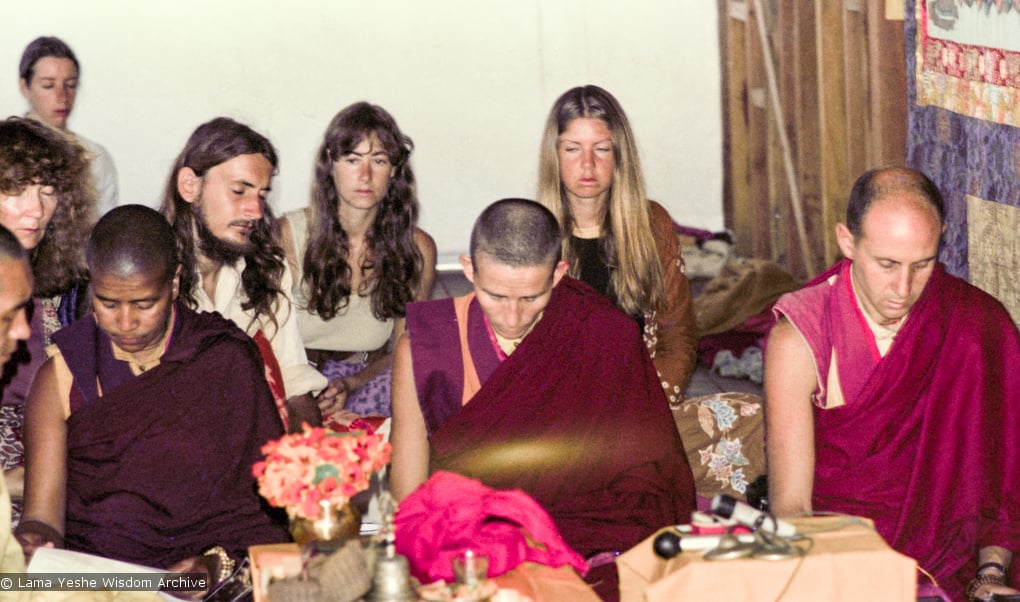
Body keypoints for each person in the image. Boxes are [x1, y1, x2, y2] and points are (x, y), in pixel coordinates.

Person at [390, 198, 695, 600]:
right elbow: (410, 499)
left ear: (559, 274)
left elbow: (650, 478)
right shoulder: (428, 347)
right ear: (468, 270)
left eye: (531, 298)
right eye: (496, 296)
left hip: (585, 535)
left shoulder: (602, 332)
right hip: (473, 541)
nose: (512, 317)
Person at [764, 166, 1020, 601]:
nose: (903, 289)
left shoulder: (977, 325)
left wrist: (990, 574)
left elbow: (1002, 487)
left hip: (953, 566)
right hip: (840, 555)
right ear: (847, 241)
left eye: (922, 265)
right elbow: (792, 507)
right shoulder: (801, 337)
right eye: (886, 264)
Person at [16, 205, 289, 570]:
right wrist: (33, 540)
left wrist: (215, 566)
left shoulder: (224, 359)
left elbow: (265, 507)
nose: (125, 323)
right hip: (99, 579)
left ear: (174, 283)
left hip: (203, 574)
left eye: (144, 304)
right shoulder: (63, 376)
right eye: (108, 303)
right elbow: (43, 516)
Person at [160, 117, 328, 430]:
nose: (256, 211)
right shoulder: (152, 272)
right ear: (189, 186)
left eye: (262, 196)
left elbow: (293, 380)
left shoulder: (267, 268)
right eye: (239, 191)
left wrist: (303, 456)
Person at [537, 85, 698, 407]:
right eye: (572, 149)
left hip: (639, 401)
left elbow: (677, 337)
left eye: (601, 149)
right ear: (554, 156)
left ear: (620, 155)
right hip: (561, 410)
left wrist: (642, 403)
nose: (587, 164)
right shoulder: (532, 231)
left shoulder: (653, 223)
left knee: (744, 418)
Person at [279, 102, 436, 421]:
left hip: (364, 382)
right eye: (352, 159)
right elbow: (265, 340)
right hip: (290, 381)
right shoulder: (289, 235)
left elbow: (407, 350)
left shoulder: (417, 248)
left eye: (378, 160)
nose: (365, 175)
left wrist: (352, 383)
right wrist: (302, 392)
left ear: (394, 170)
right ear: (331, 164)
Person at [0, 116, 92, 523]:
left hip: (55, 464)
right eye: (16, 190)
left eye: (47, 190)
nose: (36, 209)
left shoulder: (67, 291)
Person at [19, 36, 119, 216]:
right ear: (24, 87)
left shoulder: (96, 158)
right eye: (48, 85)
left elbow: (102, 233)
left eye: (70, 85)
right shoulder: (6, 149)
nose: (62, 96)